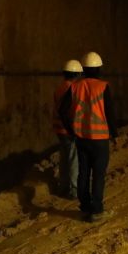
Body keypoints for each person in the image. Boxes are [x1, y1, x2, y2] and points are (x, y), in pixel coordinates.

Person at [59, 51, 118, 221]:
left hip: (82, 138)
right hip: (100, 139)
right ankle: (97, 210)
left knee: (83, 172)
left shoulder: (75, 86)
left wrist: (71, 130)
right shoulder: (103, 86)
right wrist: (114, 133)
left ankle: (85, 206)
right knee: (98, 175)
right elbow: (110, 112)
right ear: (99, 69)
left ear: (83, 69)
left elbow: (63, 110)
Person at [53, 59, 83, 198]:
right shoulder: (73, 89)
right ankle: (75, 190)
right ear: (76, 74)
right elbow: (72, 111)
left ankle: (63, 187)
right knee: (73, 160)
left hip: (59, 129)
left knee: (64, 159)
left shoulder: (59, 88)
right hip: (69, 130)